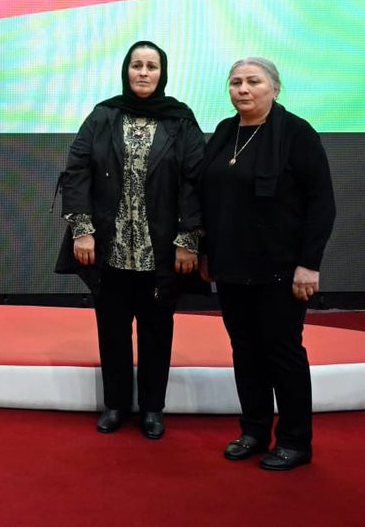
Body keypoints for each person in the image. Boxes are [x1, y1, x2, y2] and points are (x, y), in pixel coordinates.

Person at [56, 41, 204, 440]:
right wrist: (83, 230)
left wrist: (188, 239)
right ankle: (116, 404)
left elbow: (195, 181)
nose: (143, 72)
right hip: (109, 249)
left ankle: (153, 408)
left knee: (158, 332)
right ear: (126, 71)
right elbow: (77, 169)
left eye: (151, 66)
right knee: (112, 331)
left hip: (161, 252)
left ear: (162, 73)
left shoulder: (180, 120)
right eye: (136, 65)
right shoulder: (104, 115)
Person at [199, 57, 335, 471]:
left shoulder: (297, 133)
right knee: (245, 352)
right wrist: (206, 252)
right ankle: (254, 430)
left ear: (274, 89)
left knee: (282, 353)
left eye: (253, 81)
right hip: (231, 267)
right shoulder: (225, 133)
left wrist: (309, 264)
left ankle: (294, 441)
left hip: (281, 269)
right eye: (235, 82)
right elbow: (209, 198)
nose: (243, 89)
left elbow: (321, 204)